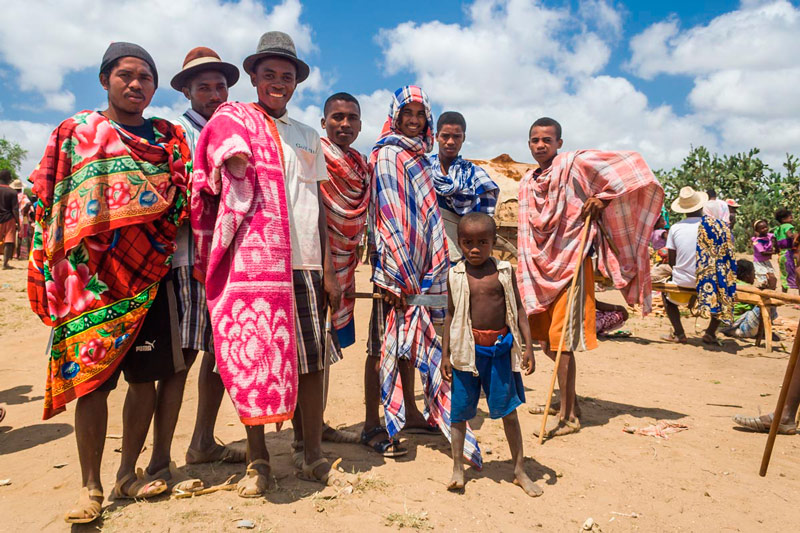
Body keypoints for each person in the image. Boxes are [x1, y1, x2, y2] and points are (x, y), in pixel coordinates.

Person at [27, 42, 192, 523]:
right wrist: (45, 270)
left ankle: (127, 473)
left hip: (149, 278)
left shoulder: (167, 138)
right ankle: (90, 487)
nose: (136, 84)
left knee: (145, 381)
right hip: (89, 283)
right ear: (105, 80)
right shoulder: (77, 132)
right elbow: (47, 195)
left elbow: (181, 198)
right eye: (125, 75)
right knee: (92, 387)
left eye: (146, 77)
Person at [518, 117, 663, 438]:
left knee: (563, 343)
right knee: (547, 344)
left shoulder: (574, 164)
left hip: (571, 261)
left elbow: (630, 167)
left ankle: (569, 416)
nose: (540, 145)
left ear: (559, 143)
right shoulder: (528, 181)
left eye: (547, 139)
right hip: (540, 269)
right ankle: (570, 403)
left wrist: (603, 199)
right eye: (534, 140)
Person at [242, 31, 343, 485]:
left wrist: (329, 266)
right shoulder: (240, 125)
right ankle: (258, 458)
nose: (278, 82)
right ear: (254, 77)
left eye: (287, 75)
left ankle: (312, 454)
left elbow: (317, 205)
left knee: (312, 359)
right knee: (257, 358)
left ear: (296, 82)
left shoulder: (307, 136)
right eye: (270, 74)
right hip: (258, 265)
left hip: (305, 264)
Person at [369, 85, 481, 467]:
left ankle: (413, 412)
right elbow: (388, 212)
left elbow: (425, 213)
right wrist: (396, 269)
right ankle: (385, 422)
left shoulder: (420, 158)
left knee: (420, 336)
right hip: (395, 267)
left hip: (426, 265)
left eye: (421, 114)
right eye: (408, 113)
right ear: (395, 115)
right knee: (389, 342)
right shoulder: (387, 154)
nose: (414, 120)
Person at [166, 47, 247, 475]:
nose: (214, 94)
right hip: (188, 257)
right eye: (203, 87)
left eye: (219, 86)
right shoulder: (178, 133)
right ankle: (162, 454)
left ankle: (201, 441)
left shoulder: (235, 129)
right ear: (187, 92)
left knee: (218, 351)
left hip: (230, 257)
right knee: (184, 354)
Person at [441, 213, 539, 496]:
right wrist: (446, 354)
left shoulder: (504, 272)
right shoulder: (455, 275)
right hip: (465, 353)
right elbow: (450, 315)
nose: (474, 248)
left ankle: (519, 469)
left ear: (493, 242)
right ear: (459, 243)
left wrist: (528, 345)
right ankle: (458, 468)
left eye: (482, 242)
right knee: (459, 413)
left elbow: (518, 310)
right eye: (467, 242)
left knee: (508, 411)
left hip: (498, 352)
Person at [318, 92, 375, 447]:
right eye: (337, 117)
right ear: (324, 122)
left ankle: (316, 423)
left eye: (352, 118)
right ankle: (307, 431)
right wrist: (326, 271)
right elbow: (316, 216)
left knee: (323, 350)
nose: (344, 124)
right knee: (311, 349)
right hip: (315, 265)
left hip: (345, 266)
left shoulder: (360, 164)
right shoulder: (314, 155)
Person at [661, 186, 735, 345]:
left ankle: (679, 334)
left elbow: (672, 261)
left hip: (683, 281)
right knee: (723, 291)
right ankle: (709, 333)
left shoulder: (675, 228)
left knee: (665, 296)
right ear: (702, 206)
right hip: (710, 283)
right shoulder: (715, 226)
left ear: (682, 209)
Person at [427, 111, 498, 262]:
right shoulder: (422, 170)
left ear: (463, 138)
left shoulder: (476, 177)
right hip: (426, 255)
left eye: (457, 136)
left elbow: (484, 223)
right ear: (436, 136)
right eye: (445, 136)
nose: (451, 142)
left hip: (462, 260)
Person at [721, 259, 778, 340]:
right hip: (741, 326)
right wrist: (771, 289)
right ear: (747, 275)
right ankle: (759, 332)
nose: (754, 277)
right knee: (768, 303)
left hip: (723, 325)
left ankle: (733, 331)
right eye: (753, 273)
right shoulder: (747, 288)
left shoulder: (730, 283)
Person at [773, 207, 798, 293]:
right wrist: (796, 236)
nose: (792, 218)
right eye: (790, 217)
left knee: (784, 274)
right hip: (788, 253)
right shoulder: (788, 226)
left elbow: (775, 241)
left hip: (781, 254)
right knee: (795, 274)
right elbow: (789, 235)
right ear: (783, 219)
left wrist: (776, 250)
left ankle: (784, 294)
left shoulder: (778, 229)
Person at [0, 169, 19, 269]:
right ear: (9, 178)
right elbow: (15, 209)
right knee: (8, 241)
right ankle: (5, 264)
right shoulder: (12, 192)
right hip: (9, 218)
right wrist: (18, 222)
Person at [751, 219, 777, 289]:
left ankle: (772, 293)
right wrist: (774, 252)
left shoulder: (769, 236)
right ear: (757, 230)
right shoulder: (757, 241)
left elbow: (775, 237)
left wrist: (776, 244)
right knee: (763, 281)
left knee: (773, 279)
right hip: (759, 262)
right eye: (762, 228)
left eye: (766, 227)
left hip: (766, 261)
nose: (765, 229)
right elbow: (763, 253)